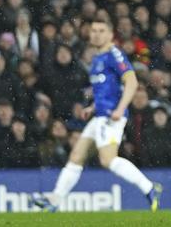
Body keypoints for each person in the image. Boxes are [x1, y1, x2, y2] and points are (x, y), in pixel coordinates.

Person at [30, 18, 161, 212]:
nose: (97, 34)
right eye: (93, 31)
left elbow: (132, 82)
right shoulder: (97, 58)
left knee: (107, 160)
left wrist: (120, 109)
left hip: (110, 117)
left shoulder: (114, 54)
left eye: (101, 31)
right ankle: (55, 200)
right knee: (76, 156)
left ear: (110, 34)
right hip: (100, 114)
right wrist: (92, 107)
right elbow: (107, 90)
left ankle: (149, 187)